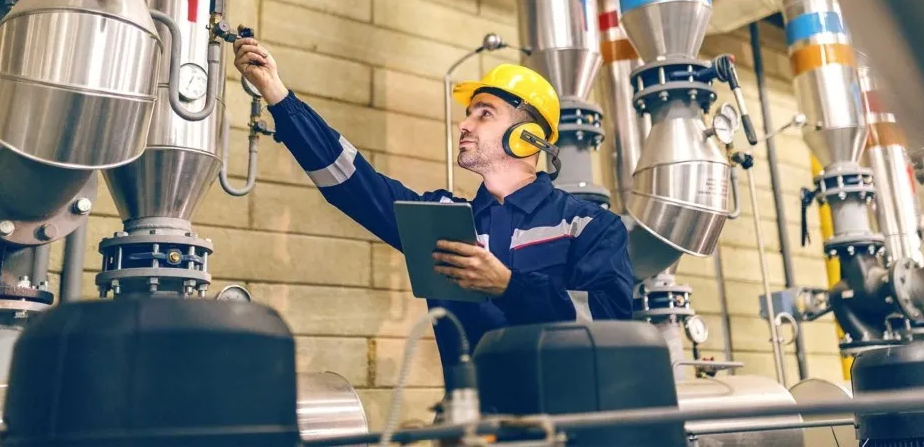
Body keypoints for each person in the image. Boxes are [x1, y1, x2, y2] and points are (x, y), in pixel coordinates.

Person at [232, 36, 634, 380]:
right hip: (475, 430)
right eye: (468, 113)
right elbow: (351, 181)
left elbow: (608, 334)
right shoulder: (443, 220)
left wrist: (509, 287)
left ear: (527, 137)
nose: (465, 124)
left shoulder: (589, 226)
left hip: (569, 430)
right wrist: (278, 96)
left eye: (484, 113)